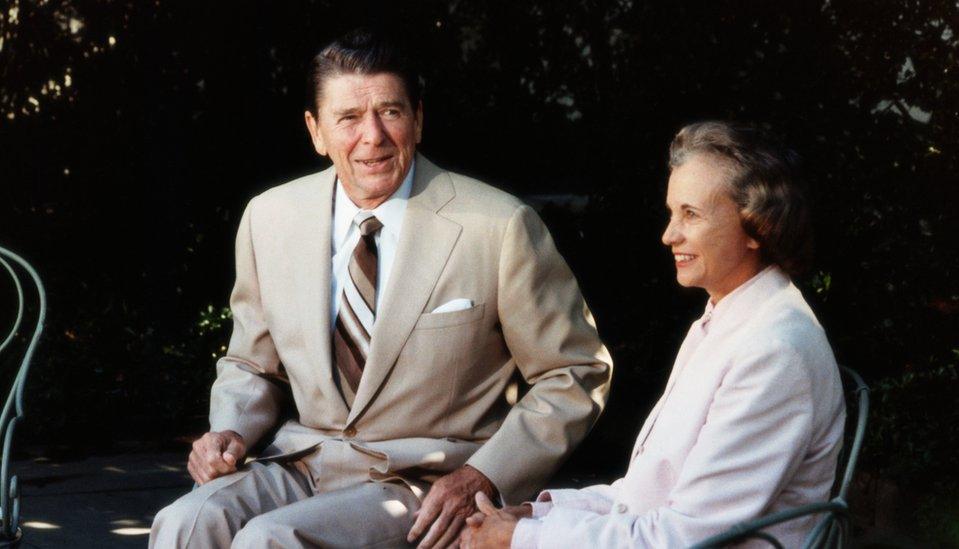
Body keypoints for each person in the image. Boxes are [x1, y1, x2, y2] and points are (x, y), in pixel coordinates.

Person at [149, 28, 611, 548]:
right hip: (302, 463)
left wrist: (488, 475)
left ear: (418, 118)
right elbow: (253, 365)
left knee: (270, 541)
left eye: (390, 112)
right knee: (184, 521)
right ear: (315, 131)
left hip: (423, 484)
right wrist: (229, 431)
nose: (372, 136)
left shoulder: (497, 225)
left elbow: (574, 371)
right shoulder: (270, 218)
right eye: (348, 118)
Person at [461, 121, 846, 548]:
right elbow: (639, 497)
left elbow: (679, 538)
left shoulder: (773, 350)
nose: (668, 235)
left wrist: (521, 539)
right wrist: (535, 514)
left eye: (691, 214)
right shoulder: (731, 317)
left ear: (756, 224)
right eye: (671, 213)